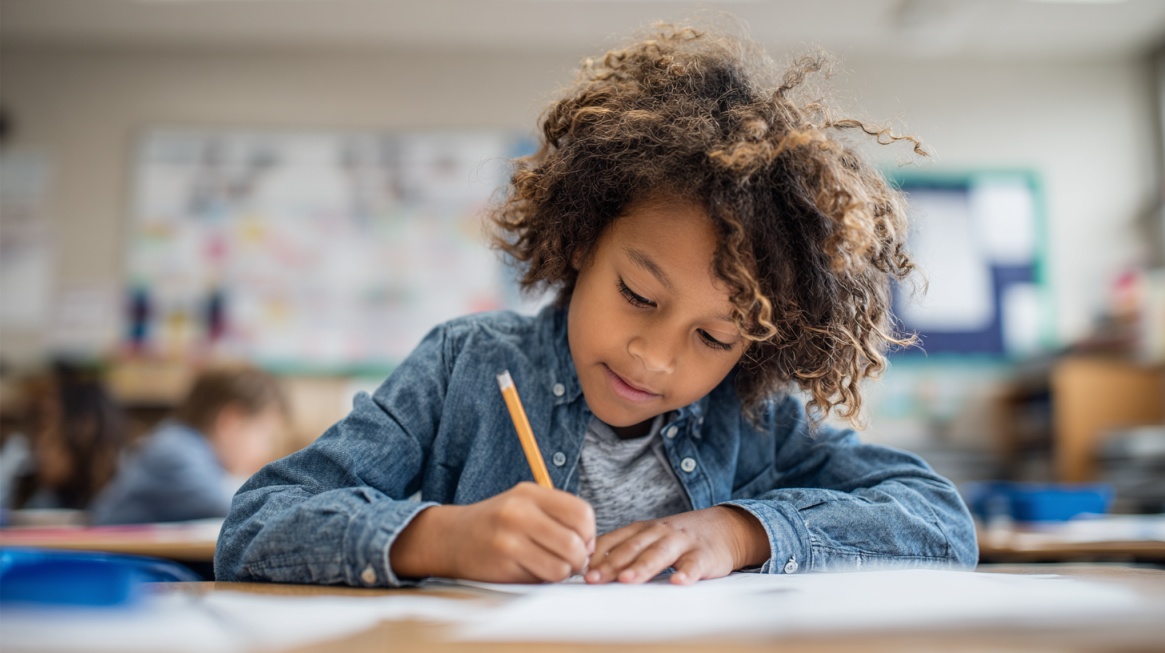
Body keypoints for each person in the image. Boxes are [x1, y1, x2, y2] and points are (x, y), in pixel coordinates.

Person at [216, 24, 978, 587]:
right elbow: (257, 522)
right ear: (583, 240)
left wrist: (744, 530)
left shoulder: (756, 420)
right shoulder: (464, 366)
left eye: (713, 336)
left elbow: (938, 518)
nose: (654, 357)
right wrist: (440, 538)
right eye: (637, 295)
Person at [91, 366, 287, 525]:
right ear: (230, 421)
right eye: (265, 435)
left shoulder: (194, 453)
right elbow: (233, 501)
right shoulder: (174, 450)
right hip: (115, 566)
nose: (266, 451)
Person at [6, 364, 126, 514]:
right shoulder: (39, 497)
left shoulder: (125, 500)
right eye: (38, 430)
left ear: (86, 430)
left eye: (48, 429)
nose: (39, 444)